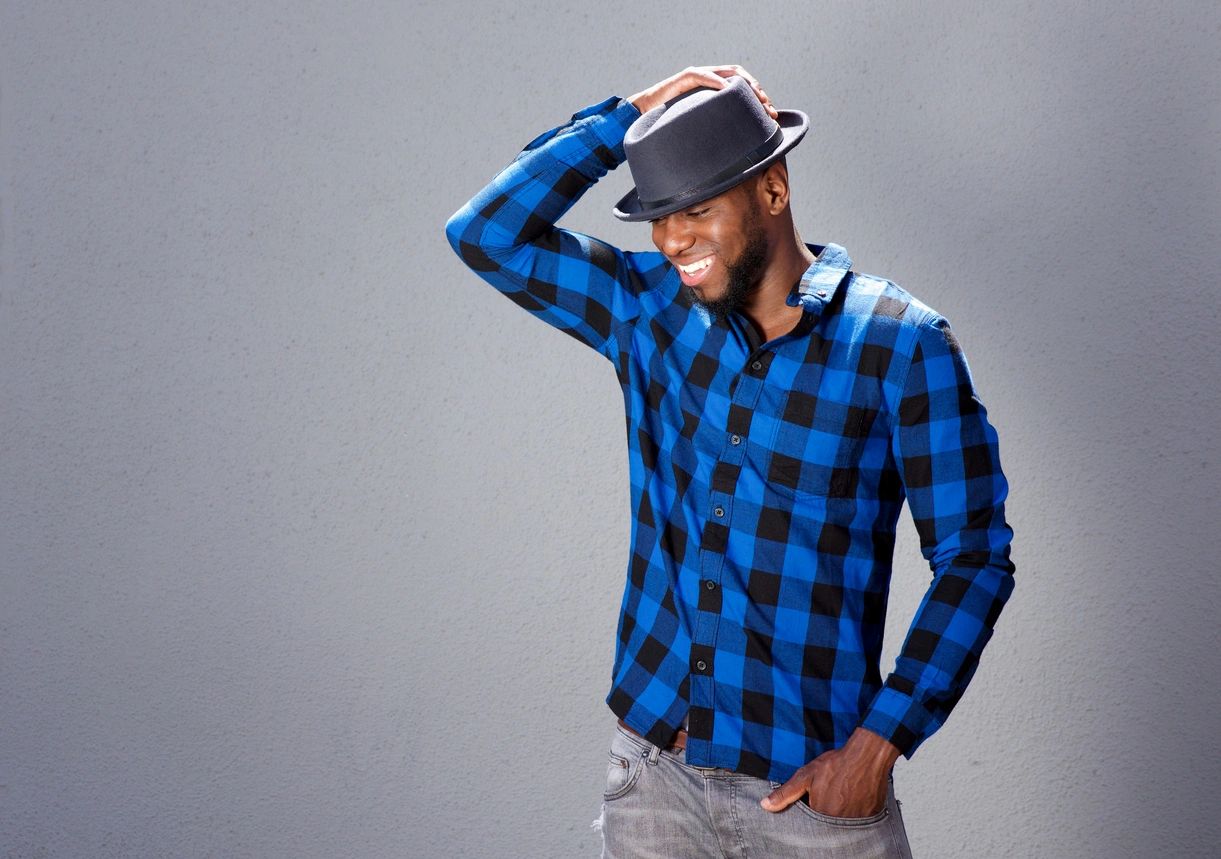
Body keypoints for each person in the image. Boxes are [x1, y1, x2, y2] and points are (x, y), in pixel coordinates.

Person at [444, 65, 1016, 858]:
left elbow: (974, 558)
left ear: (772, 192)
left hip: (813, 799)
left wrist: (877, 745)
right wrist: (623, 123)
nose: (672, 238)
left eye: (697, 210)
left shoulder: (896, 342)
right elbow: (484, 234)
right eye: (659, 216)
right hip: (651, 779)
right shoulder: (645, 306)